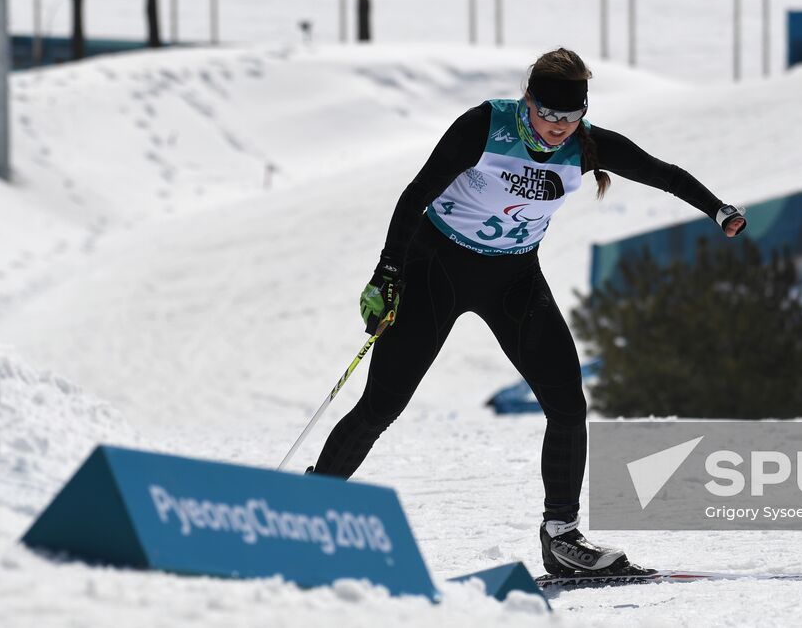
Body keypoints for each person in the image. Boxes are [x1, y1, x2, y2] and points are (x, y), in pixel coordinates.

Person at [309, 48, 747, 577]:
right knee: (382, 406)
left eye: (571, 116)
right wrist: (388, 273)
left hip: (512, 280)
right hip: (435, 269)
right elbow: (415, 196)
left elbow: (660, 172)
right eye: (549, 114)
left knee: (567, 405)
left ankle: (561, 536)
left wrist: (717, 208)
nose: (559, 128)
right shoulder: (484, 126)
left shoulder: (586, 146)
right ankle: (308, 511)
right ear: (528, 101)